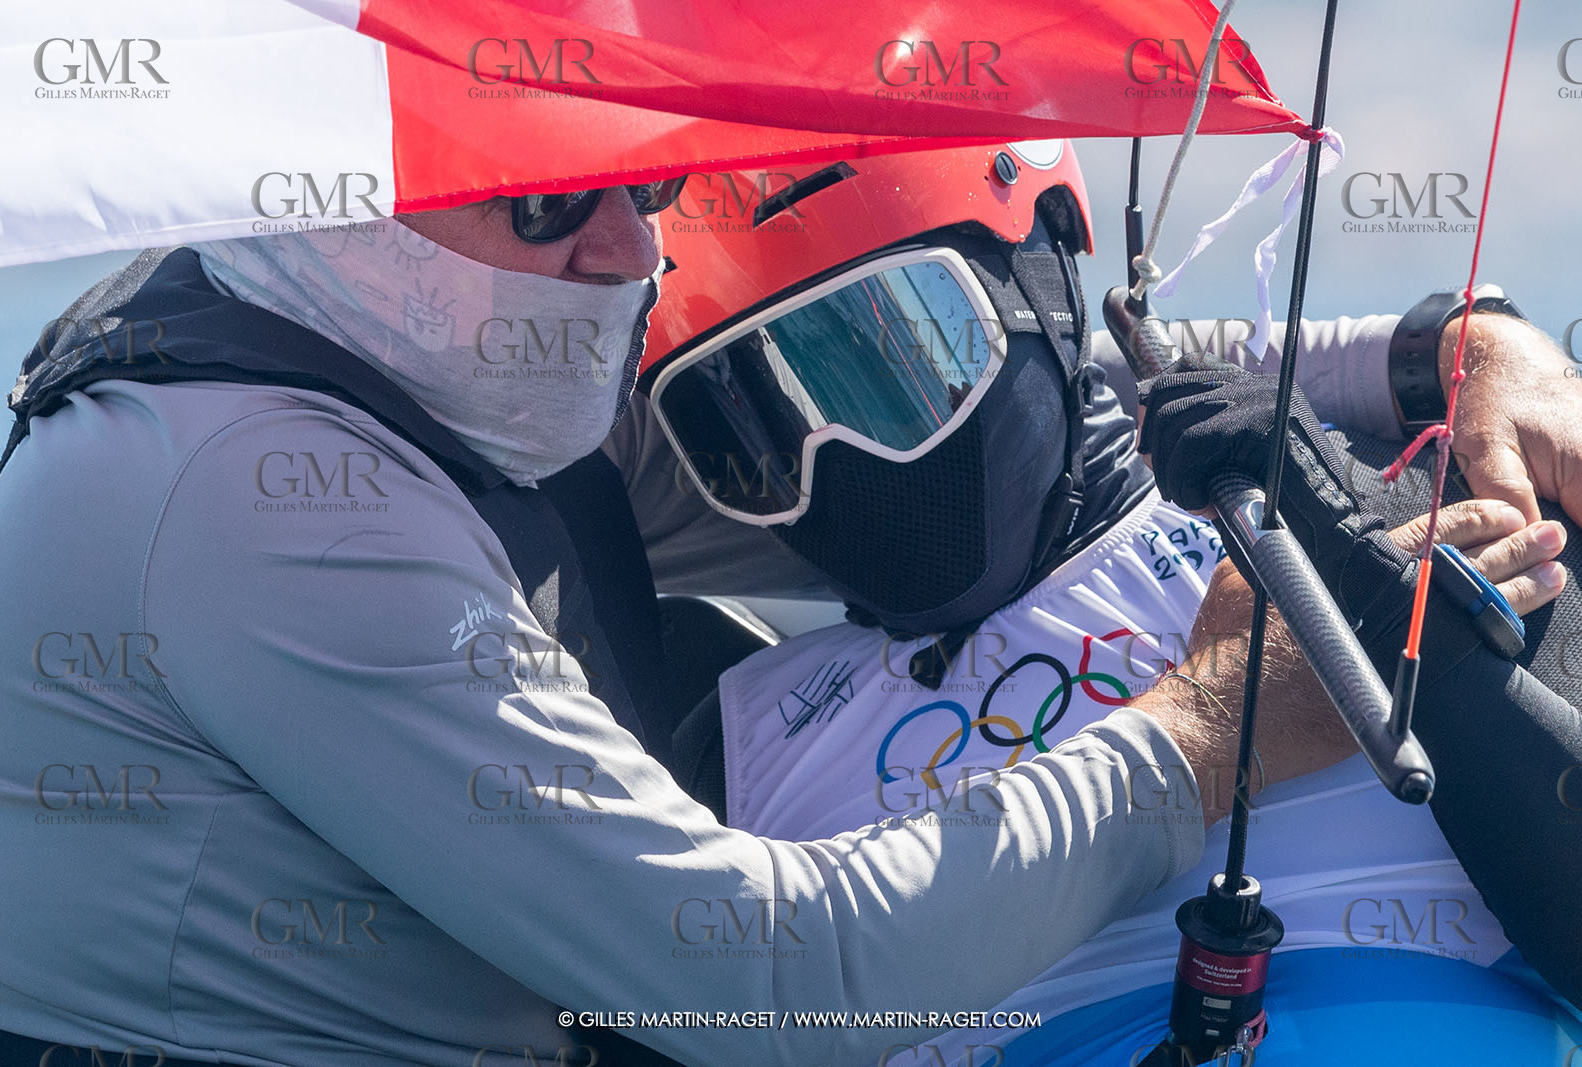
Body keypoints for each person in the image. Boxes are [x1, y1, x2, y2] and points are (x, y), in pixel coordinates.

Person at [0, 173, 1374, 1066]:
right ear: (344, 206)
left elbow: (1034, 406)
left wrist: (1449, 345)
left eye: (644, 176)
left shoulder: (409, 358)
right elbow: (768, 980)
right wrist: (1203, 729)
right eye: (546, 203)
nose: (631, 244)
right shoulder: (273, 498)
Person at [635, 143, 1582, 1064]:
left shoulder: (1392, 514)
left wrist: (1388, 592)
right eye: (743, 426)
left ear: (1042, 283)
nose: (834, 458)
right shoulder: (729, 748)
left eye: (892, 371)